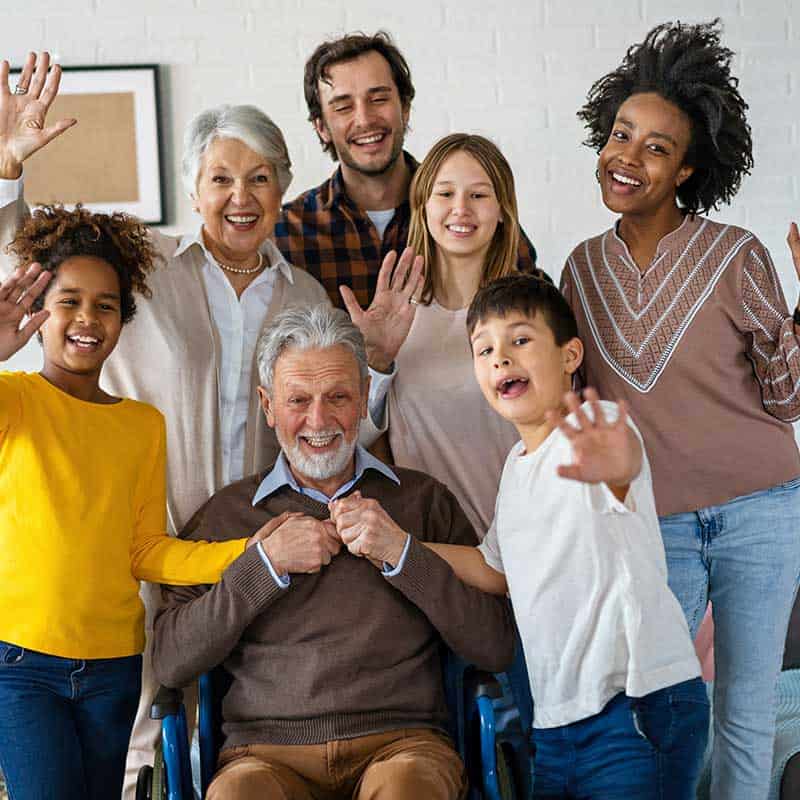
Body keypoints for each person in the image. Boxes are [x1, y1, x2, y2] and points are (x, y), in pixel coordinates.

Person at [0, 52, 419, 797]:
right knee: (137, 749)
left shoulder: (306, 295)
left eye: (260, 177)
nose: (240, 195)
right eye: (221, 178)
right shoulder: (144, 272)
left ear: (284, 189)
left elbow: (338, 422)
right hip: (140, 544)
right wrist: (8, 173)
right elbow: (31, 263)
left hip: (247, 546)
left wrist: (379, 364)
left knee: (232, 732)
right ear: (193, 188)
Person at [559, 19, 800, 799]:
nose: (627, 156)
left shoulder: (739, 254)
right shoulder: (579, 270)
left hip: (763, 510)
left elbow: (787, 398)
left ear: (688, 168)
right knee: (656, 708)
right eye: (622, 133)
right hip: (654, 521)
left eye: (656, 147)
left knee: (746, 710)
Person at [150, 304, 515, 800]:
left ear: (365, 397)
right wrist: (264, 568)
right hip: (262, 755)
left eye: (338, 396)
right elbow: (172, 661)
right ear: (267, 405)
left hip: (404, 746)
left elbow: (494, 645)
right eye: (297, 399)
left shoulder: (422, 501)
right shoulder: (224, 516)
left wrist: (404, 554)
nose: (318, 420)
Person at [0, 207, 285, 800]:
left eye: (105, 305)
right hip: (21, 666)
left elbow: (147, 549)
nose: (87, 318)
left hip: (115, 668)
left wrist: (246, 554)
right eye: (69, 300)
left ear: (123, 319)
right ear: (37, 311)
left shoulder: (141, 426)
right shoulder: (15, 401)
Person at [427, 274, 708, 799]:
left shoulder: (595, 425)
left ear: (570, 354)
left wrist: (616, 461)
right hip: (555, 725)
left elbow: (621, 465)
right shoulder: (515, 468)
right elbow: (496, 570)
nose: (500, 358)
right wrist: (397, 548)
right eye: (484, 348)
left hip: (635, 707)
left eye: (520, 340)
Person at [345, 133, 550, 535]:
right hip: (430, 546)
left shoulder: (534, 312)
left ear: (503, 211)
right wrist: (376, 360)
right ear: (421, 207)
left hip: (524, 539)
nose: (461, 209)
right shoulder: (395, 314)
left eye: (478, 195)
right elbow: (354, 441)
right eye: (445, 194)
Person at [274, 31, 539, 309]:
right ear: (322, 127)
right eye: (343, 107)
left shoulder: (465, 213)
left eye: (378, 99)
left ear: (405, 107)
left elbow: (537, 319)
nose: (364, 119)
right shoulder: (289, 234)